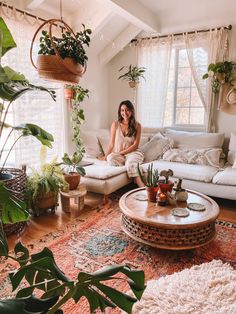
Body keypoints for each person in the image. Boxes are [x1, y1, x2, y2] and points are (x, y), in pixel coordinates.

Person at [103, 100, 144, 187]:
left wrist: (120, 153)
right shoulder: (115, 124)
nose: (124, 113)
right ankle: (130, 169)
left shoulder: (137, 126)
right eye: (122, 110)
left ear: (132, 111)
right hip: (121, 156)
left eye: (127, 110)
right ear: (119, 111)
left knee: (130, 163)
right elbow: (111, 144)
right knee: (110, 158)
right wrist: (105, 156)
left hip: (133, 153)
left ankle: (143, 188)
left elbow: (135, 145)